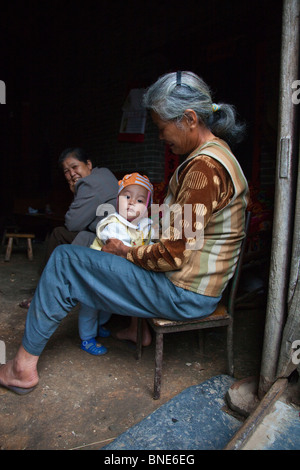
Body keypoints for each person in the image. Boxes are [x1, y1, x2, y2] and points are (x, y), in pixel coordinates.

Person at [0, 71, 249, 395]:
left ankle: (21, 369)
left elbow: (173, 254)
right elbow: (186, 233)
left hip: (185, 294)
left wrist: (125, 252)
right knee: (86, 257)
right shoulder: (221, 156)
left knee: (64, 259)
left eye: (162, 128)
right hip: (196, 288)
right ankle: (135, 330)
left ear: (189, 118)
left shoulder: (203, 168)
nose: (161, 137)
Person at [19, 147, 119, 313]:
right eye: (66, 171)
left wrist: (75, 190)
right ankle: (53, 288)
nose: (72, 174)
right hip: (111, 233)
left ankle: (44, 294)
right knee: (61, 235)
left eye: (74, 167)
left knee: (58, 234)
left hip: (106, 241)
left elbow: (72, 223)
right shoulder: (104, 173)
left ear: (88, 164)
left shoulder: (89, 184)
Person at [79, 172, 154, 355]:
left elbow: (150, 245)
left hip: (114, 276)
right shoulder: (112, 222)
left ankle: (99, 326)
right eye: (126, 196)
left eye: (139, 200)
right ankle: (87, 338)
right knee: (90, 305)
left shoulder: (145, 226)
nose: (131, 202)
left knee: (106, 305)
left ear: (146, 207)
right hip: (96, 274)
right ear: (117, 199)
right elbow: (119, 245)